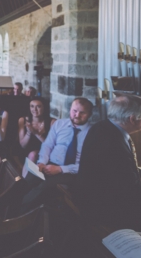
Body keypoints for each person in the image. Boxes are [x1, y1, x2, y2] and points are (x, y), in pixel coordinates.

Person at [74, 94, 141, 230]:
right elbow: (128, 188)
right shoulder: (113, 145)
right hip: (104, 209)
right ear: (132, 119)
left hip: (97, 197)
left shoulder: (103, 126)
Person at [21, 98, 93, 211]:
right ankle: (9, 212)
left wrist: (60, 169)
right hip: (48, 164)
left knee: (42, 188)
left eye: (82, 112)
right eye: (74, 111)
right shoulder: (60, 124)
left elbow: (87, 165)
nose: (77, 115)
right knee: (26, 182)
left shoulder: (92, 134)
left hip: (70, 172)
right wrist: (41, 162)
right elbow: (47, 145)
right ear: (70, 110)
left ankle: (18, 219)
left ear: (89, 114)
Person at [18, 97, 55, 162]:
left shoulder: (52, 122)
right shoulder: (22, 120)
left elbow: (51, 146)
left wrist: (36, 133)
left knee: (34, 154)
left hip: (46, 151)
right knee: (32, 155)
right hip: (27, 152)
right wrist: (28, 133)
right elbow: (23, 145)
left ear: (44, 107)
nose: (34, 109)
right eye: (32, 106)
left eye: (38, 106)